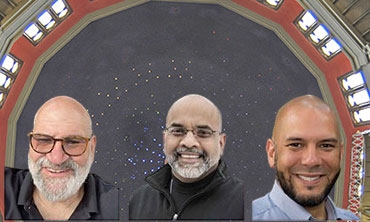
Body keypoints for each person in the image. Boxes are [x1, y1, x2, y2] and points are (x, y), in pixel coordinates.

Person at [129, 94, 244, 220]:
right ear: (165, 139)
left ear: (221, 143)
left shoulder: (242, 203)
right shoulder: (140, 200)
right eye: (178, 131)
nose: (189, 142)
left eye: (203, 133)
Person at [5, 96, 119, 220]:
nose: (57, 159)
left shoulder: (120, 207)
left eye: (73, 142)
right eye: (44, 140)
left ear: (92, 147)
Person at [252, 95, 359, 221]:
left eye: (326, 145)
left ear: (340, 154)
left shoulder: (352, 219)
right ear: (272, 153)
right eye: (295, 145)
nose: (311, 161)